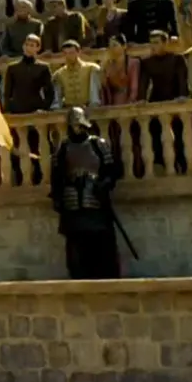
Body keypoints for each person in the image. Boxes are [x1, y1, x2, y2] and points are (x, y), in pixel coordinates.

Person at [50, 107, 124, 279]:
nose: (76, 129)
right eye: (73, 125)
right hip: (72, 205)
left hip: (95, 202)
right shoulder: (63, 148)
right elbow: (57, 177)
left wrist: (104, 184)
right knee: (76, 253)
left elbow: (112, 170)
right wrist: (58, 198)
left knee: (102, 248)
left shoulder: (98, 145)